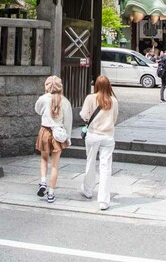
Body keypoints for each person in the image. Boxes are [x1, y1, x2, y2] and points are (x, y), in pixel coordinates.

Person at [80, 75, 119, 210]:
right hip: (108, 136)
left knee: (90, 162)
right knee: (105, 167)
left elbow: (84, 115)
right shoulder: (113, 100)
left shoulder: (90, 98)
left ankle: (88, 190)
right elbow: (114, 119)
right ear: (109, 85)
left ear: (96, 85)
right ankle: (103, 200)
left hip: (93, 135)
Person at [34, 75, 72, 203]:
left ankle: (43, 181)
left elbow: (37, 110)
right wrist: (68, 137)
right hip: (58, 134)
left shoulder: (43, 99)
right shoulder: (65, 101)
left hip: (45, 131)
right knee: (55, 165)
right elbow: (68, 122)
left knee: (44, 159)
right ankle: (51, 193)